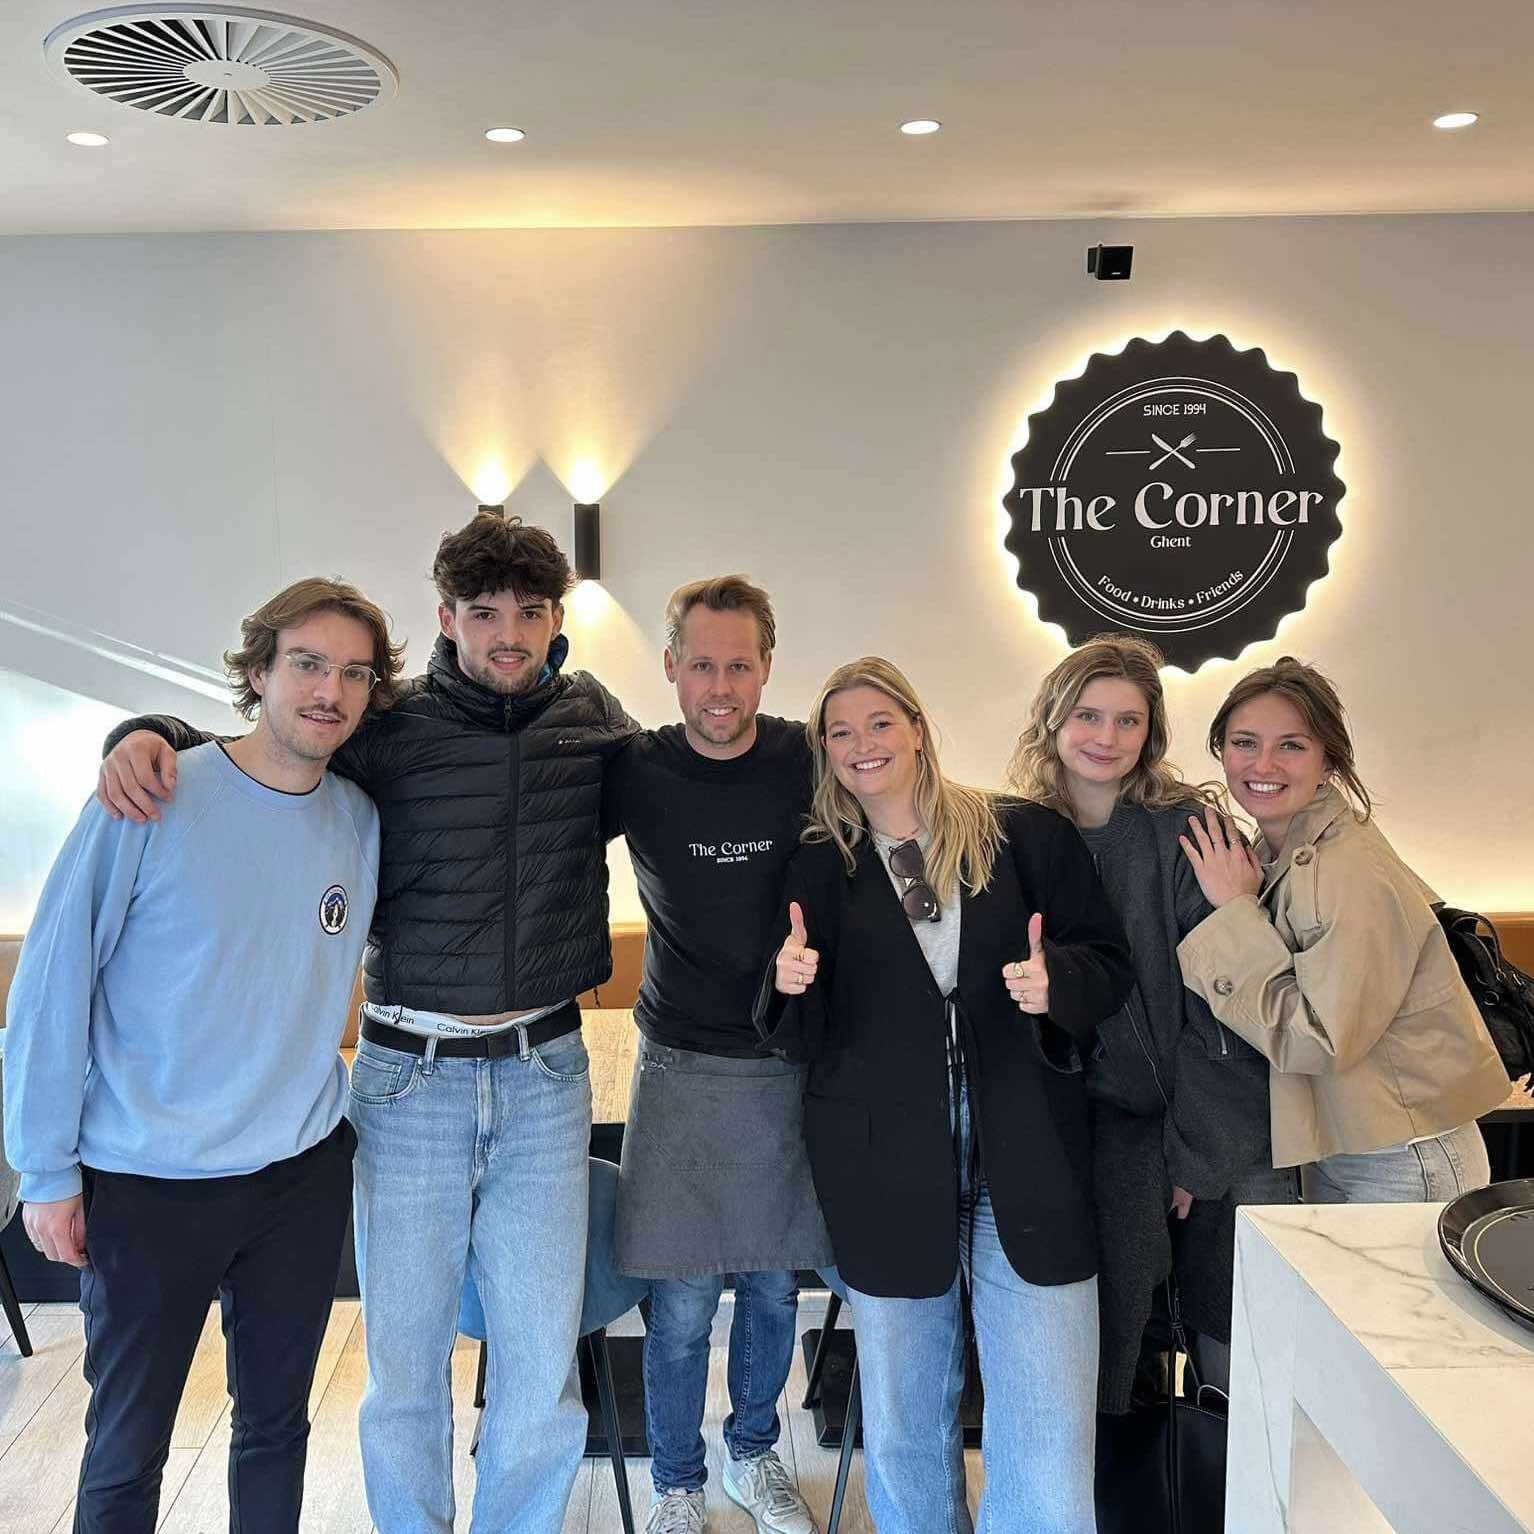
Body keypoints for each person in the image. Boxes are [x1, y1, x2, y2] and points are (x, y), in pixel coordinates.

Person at [95, 513, 638, 1534]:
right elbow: (261, 758)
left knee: (538, 1362)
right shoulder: (386, 724)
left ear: (557, 616)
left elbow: (681, 781)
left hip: (545, 1074)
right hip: (407, 1076)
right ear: (448, 616)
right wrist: (149, 734)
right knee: (404, 1363)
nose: (507, 634)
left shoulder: (590, 718)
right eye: (484, 613)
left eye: (528, 611)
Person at [6, 576, 398, 1533]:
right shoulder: (151, 796)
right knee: (128, 1447)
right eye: (307, 663)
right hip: (149, 1183)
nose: (328, 691)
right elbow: (52, 988)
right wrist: (45, 1170)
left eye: (353, 674)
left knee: (276, 1425)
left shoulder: (361, 818)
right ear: (258, 670)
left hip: (297, 1180)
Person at [759, 657, 1132, 1534]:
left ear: (918, 727)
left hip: (1029, 1160)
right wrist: (787, 982)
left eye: (880, 723)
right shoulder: (820, 862)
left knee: (1044, 1420)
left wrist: (1057, 986)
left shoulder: (1024, 833)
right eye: (840, 732)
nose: (863, 745)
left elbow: (1105, 962)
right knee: (905, 1427)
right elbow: (791, 1032)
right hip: (883, 1169)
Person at [1007, 634, 1289, 1410]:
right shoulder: (1014, 834)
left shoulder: (1187, 831)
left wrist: (1192, 1153)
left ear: (1152, 731)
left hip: (1181, 1125)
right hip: (1065, 1126)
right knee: (1075, 1347)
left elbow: (1224, 1015)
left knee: (1206, 1345)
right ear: (1054, 719)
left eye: (1128, 721)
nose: (1107, 738)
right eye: (1089, 715)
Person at [603, 575, 830, 1534]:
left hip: (787, 1062)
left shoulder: (809, 757)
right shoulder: (634, 768)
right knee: (685, 1298)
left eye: (741, 665)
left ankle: (751, 1456)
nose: (722, 686)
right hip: (681, 1065)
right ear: (671, 668)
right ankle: (677, 1483)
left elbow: (915, 801)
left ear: (768, 668)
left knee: (775, 1287)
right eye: (703, 665)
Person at [1178, 657, 1508, 1203]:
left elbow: (1320, 1041)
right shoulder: (1280, 852)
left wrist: (1235, 913)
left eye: (1291, 745)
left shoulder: (1345, 867)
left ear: (1328, 760)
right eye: (1244, 742)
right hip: (1357, 1142)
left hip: (1404, 1156)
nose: (1264, 764)